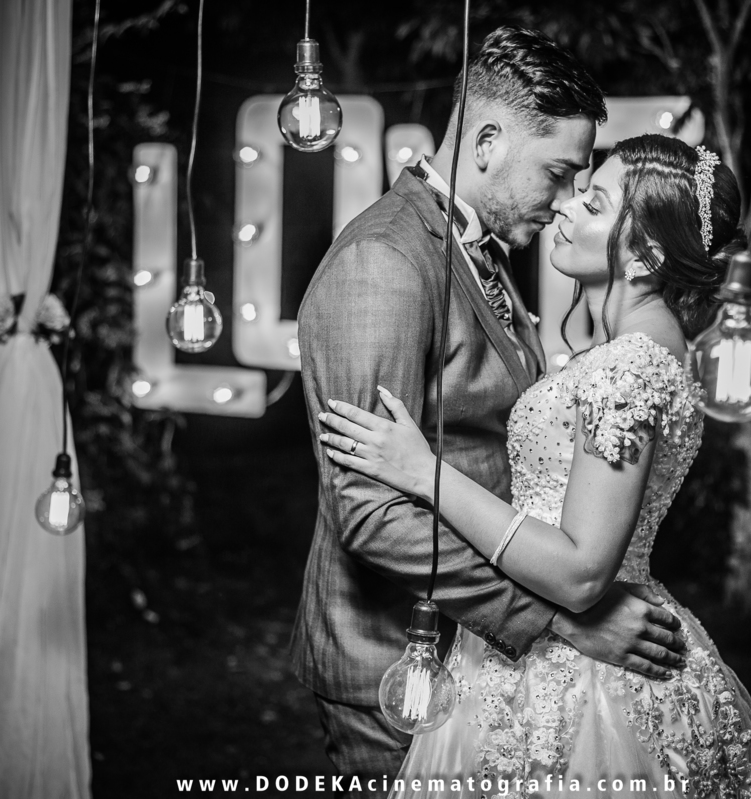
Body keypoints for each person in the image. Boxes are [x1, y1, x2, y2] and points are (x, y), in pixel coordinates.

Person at [318, 134, 751, 798]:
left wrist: (425, 472)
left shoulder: (630, 367)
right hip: (549, 645)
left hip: (582, 676)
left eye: (593, 203)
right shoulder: (637, 351)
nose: (565, 206)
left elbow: (580, 572)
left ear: (648, 254)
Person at [293, 28, 693, 796]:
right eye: (558, 172)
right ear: (486, 142)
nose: (565, 199)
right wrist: (558, 618)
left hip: (479, 663)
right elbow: (368, 511)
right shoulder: (383, 262)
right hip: (395, 663)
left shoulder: (487, 253)